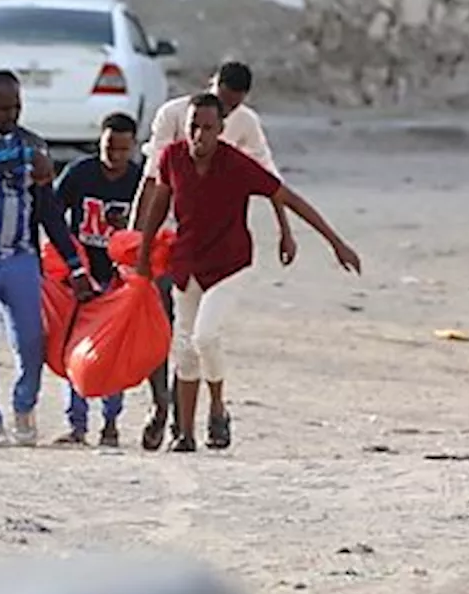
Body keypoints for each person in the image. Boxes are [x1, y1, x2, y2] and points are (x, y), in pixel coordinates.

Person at [134, 92, 361, 453]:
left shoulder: (237, 164)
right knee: (184, 348)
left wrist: (335, 242)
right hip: (187, 263)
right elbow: (158, 206)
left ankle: (218, 408)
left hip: (229, 265)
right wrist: (143, 255)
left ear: (221, 130)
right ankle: (185, 433)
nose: (199, 136)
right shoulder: (172, 158)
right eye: (194, 127)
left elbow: (287, 197)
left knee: (205, 336)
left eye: (208, 128)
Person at [131, 61, 292, 451]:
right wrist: (137, 240)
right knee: (165, 327)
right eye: (221, 98)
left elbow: (270, 180)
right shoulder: (174, 114)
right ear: (210, 85)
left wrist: (284, 229)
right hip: (171, 238)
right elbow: (152, 180)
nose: (223, 110)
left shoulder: (245, 124)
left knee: (197, 335)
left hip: (216, 241)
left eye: (231, 107)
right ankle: (162, 408)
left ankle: (201, 414)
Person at [0, 70, 93, 449]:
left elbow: (49, 213)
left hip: (21, 259)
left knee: (31, 341)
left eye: (16, 107)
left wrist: (74, 264)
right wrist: (25, 158)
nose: (10, 115)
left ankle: (24, 407)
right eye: (2, 107)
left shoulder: (33, 143)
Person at [50, 111, 142, 448]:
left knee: (112, 353)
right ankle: (76, 424)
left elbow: (151, 227)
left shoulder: (138, 179)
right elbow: (53, 212)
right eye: (108, 147)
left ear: (132, 148)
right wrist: (67, 264)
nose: (113, 156)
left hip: (118, 280)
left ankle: (111, 421)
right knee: (75, 349)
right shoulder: (81, 173)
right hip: (82, 277)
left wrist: (127, 228)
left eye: (121, 149)